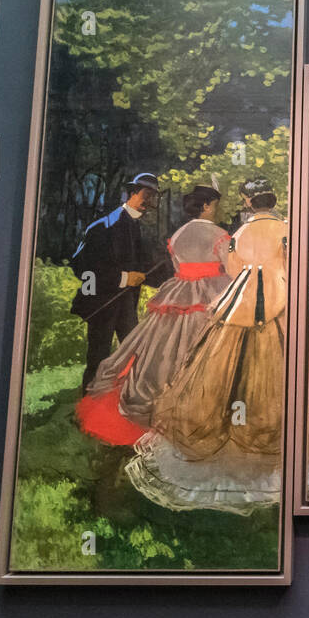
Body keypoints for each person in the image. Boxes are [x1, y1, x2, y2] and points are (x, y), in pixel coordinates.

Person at [129, 179, 309, 511]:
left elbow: (233, 270)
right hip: (288, 305)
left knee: (236, 375)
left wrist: (254, 277)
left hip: (243, 305)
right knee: (299, 372)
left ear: (247, 202)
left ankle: (246, 438)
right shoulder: (288, 229)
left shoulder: (239, 236)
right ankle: (290, 441)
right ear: (272, 201)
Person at [77, 185, 231, 444]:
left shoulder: (179, 234)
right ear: (206, 206)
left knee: (167, 351)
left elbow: (177, 267)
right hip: (211, 293)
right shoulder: (219, 234)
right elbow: (231, 266)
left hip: (180, 293)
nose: (217, 210)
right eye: (215, 205)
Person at [70, 172, 171, 388]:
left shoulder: (139, 228)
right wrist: (124, 278)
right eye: (147, 195)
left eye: (154, 197)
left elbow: (146, 266)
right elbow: (83, 268)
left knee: (133, 354)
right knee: (98, 358)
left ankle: (119, 403)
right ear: (132, 193)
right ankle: (87, 407)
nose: (150, 202)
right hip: (101, 304)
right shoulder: (102, 227)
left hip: (127, 304)